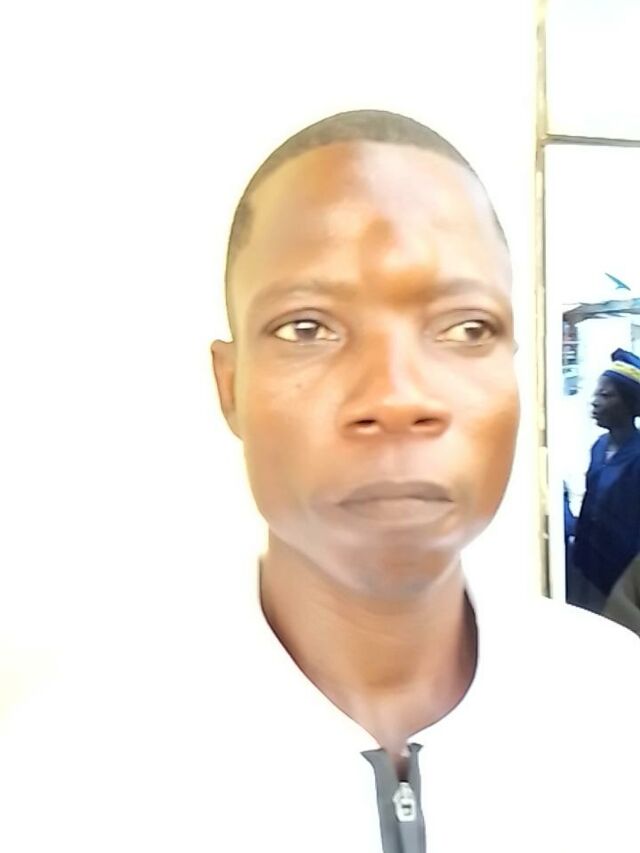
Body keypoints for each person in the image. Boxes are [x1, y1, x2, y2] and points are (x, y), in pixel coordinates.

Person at [1, 110, 639, 852]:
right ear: (230, 387)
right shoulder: (54, 777)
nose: (396, 396)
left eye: (467, 328)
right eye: (306, 328)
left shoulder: (619, 712)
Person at [571, 350, 640, 612]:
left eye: (606, 395)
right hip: (588, 571)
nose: (595, 401)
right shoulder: (599, 447)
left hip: (624, 578)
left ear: (630, 404)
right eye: (597, 393)